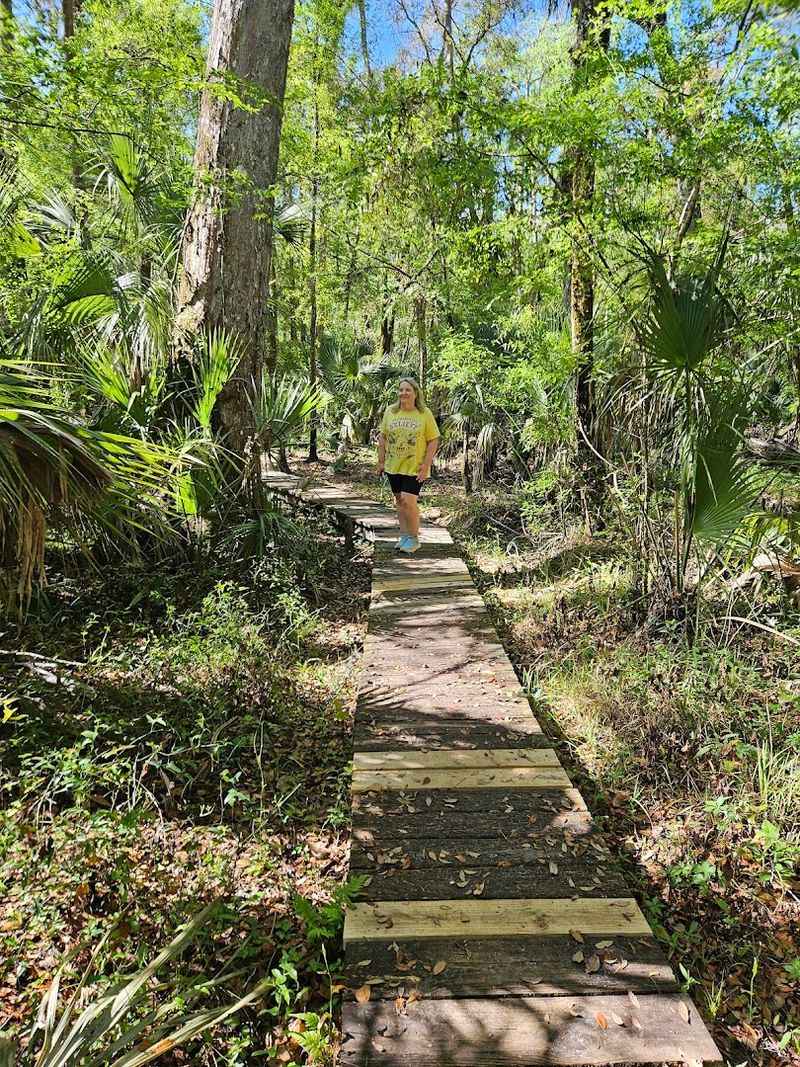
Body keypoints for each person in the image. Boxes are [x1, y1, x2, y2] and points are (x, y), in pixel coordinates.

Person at [376, 377, 440, 554]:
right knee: (399, 501)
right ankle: (404, 536)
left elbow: (433, 440)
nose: (403, 393)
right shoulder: (391, 411)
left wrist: (426, 465)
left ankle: (413, 538)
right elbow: (383, 437)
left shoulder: (424, 413)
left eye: (408, 390)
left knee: (408, 501)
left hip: (414, 466)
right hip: (393, 465)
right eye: (401, 390)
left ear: (415, 393)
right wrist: (381, 461)